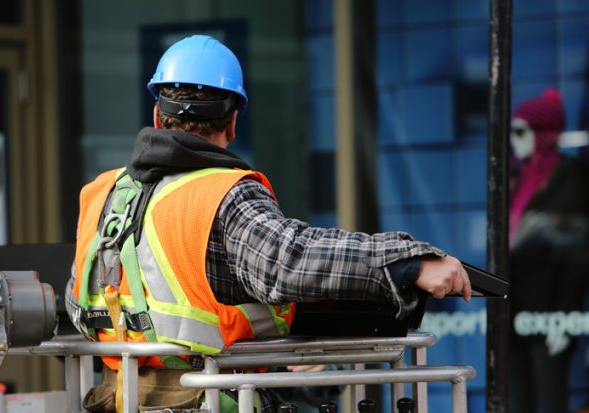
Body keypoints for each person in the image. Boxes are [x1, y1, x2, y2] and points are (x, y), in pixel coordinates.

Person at [65, 34, 471, 413]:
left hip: (121, 399)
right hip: (206, 399)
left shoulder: (102, 194)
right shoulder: (222, 194)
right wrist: (408, 262)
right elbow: (288, 260)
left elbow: (78, 299)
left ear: (156, 114)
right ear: (233, 121)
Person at [507, 89, 589, 413]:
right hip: (513, 308)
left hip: (551, 309)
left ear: (542, 133)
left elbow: (576, 255)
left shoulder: (570, 179)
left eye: (521, 131)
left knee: (550, 398)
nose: (515, 140)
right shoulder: (513, 176)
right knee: (517, 400)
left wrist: (565, 317)